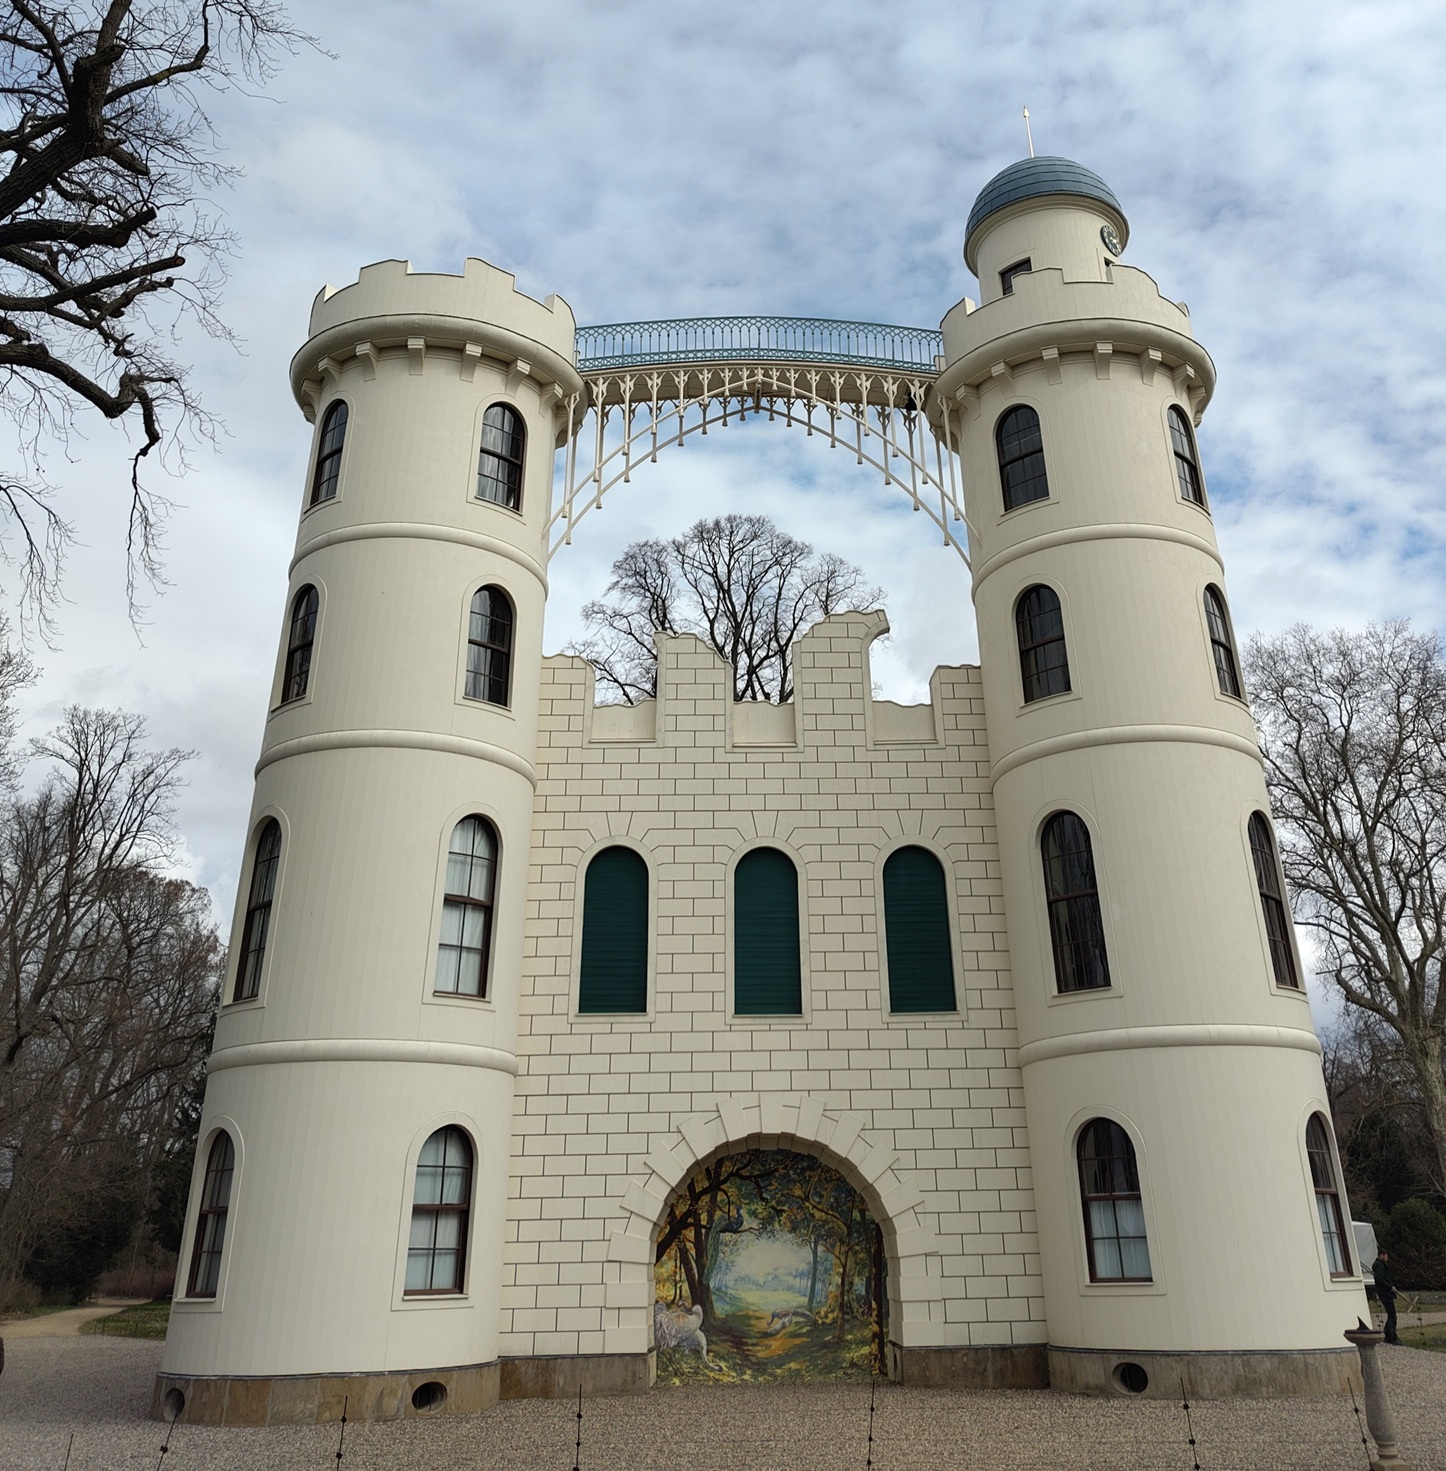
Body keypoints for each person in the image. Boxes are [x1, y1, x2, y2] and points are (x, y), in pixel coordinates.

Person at [1372, 1250, 1400, 1344]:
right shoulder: (1379, 1265)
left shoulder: (1379, 1264)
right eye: (1386, 1256)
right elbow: (1379, 1279)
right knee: (1392, 1315)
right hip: (1386, 1293)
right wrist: (1390, 1287)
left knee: (1391, 1315)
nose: (1387, 1258)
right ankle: (1391, 1336)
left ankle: (1389, 1335)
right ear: (1382, 1256)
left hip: (1385, 1293)